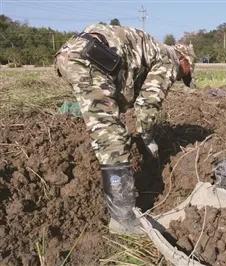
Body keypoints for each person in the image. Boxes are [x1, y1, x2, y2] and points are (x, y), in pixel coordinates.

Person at [54, 23, 195, 235]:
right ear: (184, 59)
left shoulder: (154, 50)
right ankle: (122, 219)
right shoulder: (170, 59)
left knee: (105, 118)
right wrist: (147, 138)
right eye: (185, 73)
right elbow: (147, 104)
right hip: (89, 59)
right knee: (113, 139)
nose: (179, 78)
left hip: (74, 54)